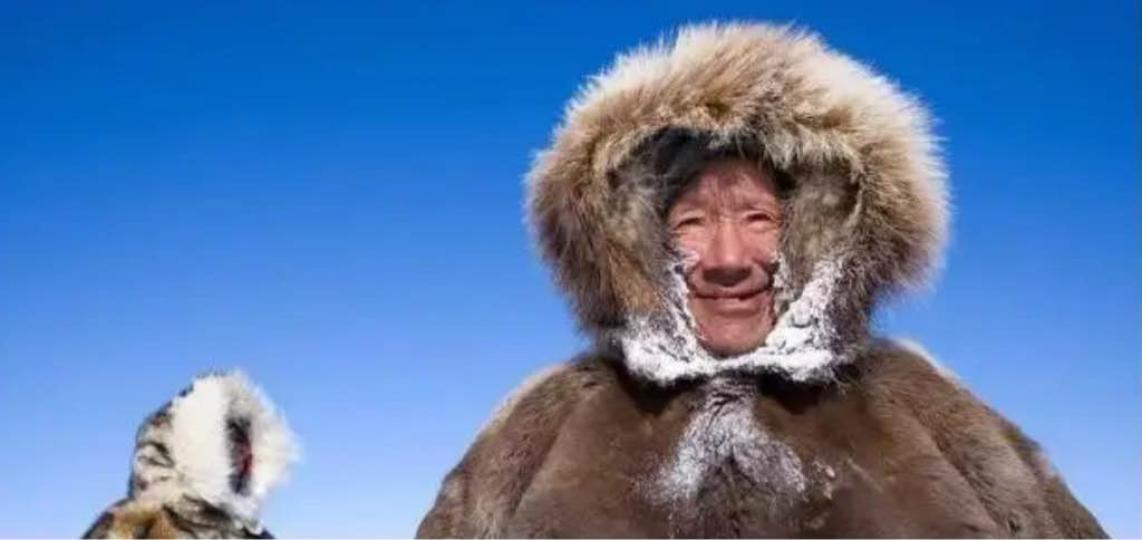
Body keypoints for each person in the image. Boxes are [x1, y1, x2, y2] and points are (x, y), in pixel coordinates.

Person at [416, 23, 1106, 537]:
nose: (727, 257)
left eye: (758, 217)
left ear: (819, 228)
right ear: (633, 241)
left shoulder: (931, 412)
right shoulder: (540, 427)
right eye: (691, 222)